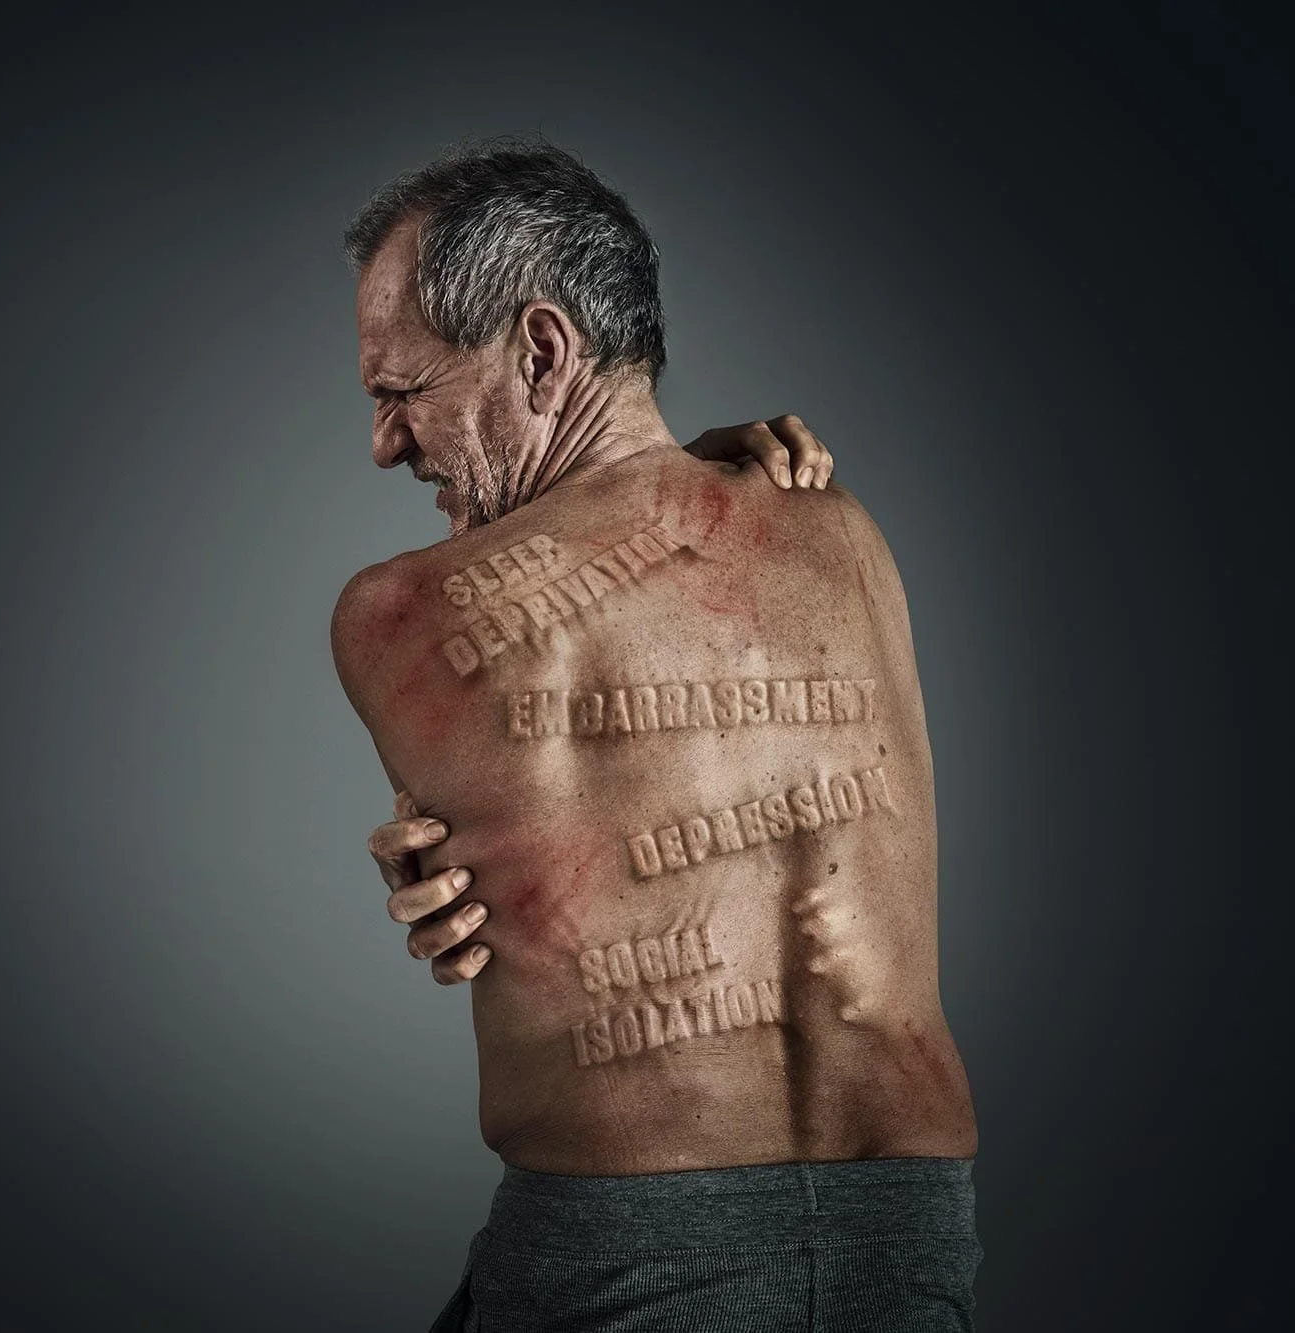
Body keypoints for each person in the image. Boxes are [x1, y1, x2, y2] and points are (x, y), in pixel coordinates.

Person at [331, 141, 980, 1332]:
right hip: (912, 1228)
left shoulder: (394, 616)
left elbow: (489, 844)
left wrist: (440, 870)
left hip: (630, 1246)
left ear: (539, 349)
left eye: (400, 391)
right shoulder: (844, 534)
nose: (385, 442)